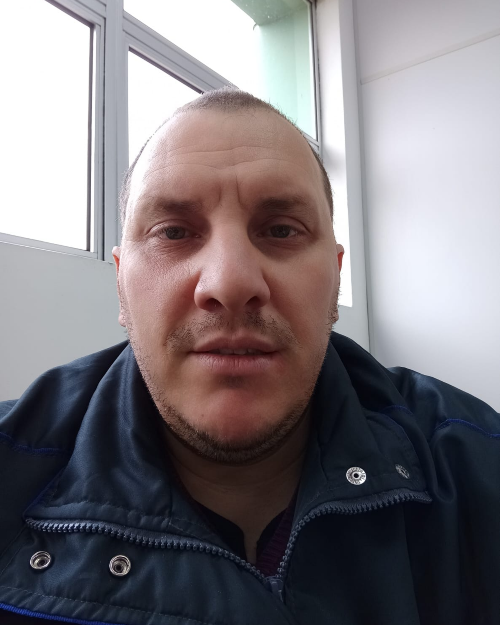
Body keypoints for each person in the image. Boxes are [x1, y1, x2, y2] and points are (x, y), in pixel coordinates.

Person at [1, 87, 499, 625]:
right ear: (122, 284)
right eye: (173, 232)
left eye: (281, 230)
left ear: (334, 281)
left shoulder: (477, 466)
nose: (230, 282)